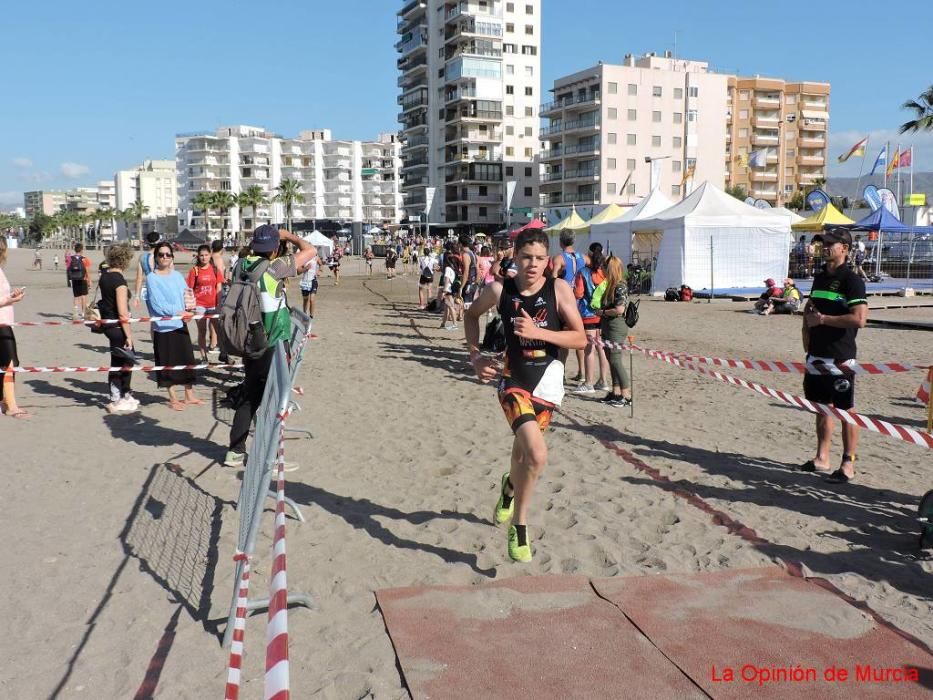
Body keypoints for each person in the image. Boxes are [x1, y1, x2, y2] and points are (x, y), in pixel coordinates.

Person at [464, 228, 587, 562]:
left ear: (548, 260)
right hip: (512, 381)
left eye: (539, 258)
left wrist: (539, 332)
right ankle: (519, 525)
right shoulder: (499, 290)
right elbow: (471, 314)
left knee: (522, 457)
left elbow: (580, 339)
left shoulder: (559, 289)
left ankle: (508, 487)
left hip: (547, 385)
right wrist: (475, 357)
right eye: (526, 258)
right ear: (515, 257)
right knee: (537, 455)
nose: (533, 265)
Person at [224, 226, 317, 468]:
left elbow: (264, 285)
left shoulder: (241, 265)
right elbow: (311, 250)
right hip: (273, 343)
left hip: (249, 339)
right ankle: (271, 460)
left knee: (249, 395)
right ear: (274, 248)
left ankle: (235, 451)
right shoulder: (275, 267)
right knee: (275, 402)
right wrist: (290, 236)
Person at [799, 227, 868, 484]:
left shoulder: (852, 280)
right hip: (816, 355)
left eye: (831, 242)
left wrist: (824, 320)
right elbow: (811, 309)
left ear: (845, 248)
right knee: (821, 408)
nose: (825, 246)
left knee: (846, 411)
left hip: (841, 357)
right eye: (823, 242)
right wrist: (806, 329)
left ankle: (848, 463)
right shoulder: (819, 278)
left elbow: (860, 319)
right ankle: (822, 458)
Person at [146, 242, 201, 411]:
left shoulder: (177, 275)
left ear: (172, 257)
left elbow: (187, 293)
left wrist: (190, 310)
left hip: (180, 323)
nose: (164, 257)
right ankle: (173, 398)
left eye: (168, 254)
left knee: (187, 359)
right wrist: (178, 311)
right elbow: (157, 304)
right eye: (161, 254)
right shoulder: (152, 278)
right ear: (156, 257)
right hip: (164, 327)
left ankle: (189, 394)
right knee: (167, 362)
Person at [98, 243, 138, 414]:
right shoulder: (119, 281)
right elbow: (123, 312)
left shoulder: (104, 276)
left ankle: (124, 394)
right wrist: (129, 335)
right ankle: (116, 398)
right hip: (117, 325)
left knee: (121, 361)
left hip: (108, 323)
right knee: (124, 360)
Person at [591, 256, 633, 406]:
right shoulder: (610, 285)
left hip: (616, 325)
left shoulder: (620, 286)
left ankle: (626, 395)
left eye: (604, 267)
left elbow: (619, 309)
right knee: (610, 358)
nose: (601, 269)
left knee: (615, 359)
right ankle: (615, 392)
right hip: (607, 325)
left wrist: (602, 312)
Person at [572, 242, 610, 394]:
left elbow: (579, 294)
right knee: (601, 347)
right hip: (603, 313)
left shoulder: (583, 272)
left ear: (588, 255)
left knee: (589, 349)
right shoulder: (604, 272)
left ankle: (588, 382)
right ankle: (604, 380)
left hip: (588, 314)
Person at [551, 230, 587, 382]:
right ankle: (582, 371)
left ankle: (562, 371)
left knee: (564, 339)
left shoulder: (559, 258)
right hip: (581, 300)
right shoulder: (584, 257)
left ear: (560, 242)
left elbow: (552, 279)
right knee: (580, 337)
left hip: (566, 300)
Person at [0, 238, 29, 418]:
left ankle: (4, 401)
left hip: (4, 322)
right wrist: (10, 300)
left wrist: (11, 295)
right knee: (10, 363)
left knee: (4, 363)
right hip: (1, 324)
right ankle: (12, 405)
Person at [186, 244, 223, 362]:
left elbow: (218, 287)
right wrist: (189, 307)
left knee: (218, 330)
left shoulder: (215, 269)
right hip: (199, 305)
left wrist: (219, 304)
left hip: (213, 304)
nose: (204, 257)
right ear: (198, 256)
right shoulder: (194, 271)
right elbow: (189, 289)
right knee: (202, 331)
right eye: (201, 255)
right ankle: (203, 356)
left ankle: (224, 354)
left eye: (206, 255)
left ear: (210, 255)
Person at [134, 231, 164, 309]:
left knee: (153, 315)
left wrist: (137, 295)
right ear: (159, 241)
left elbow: (139, 278)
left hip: (149, 288)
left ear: (148, 242)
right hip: (163, 287)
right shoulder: (165, 256)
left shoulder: (142, 257)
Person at [68, 243, 92, 320]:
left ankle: (75, 313)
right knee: (84, 296)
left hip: (74, 279)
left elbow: (68, 269)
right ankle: (83, 313)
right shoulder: (85, 259)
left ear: (75, 249)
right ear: (81, 250)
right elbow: (87, 271)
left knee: (76, 296)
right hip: (83, 279)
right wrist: (89, 280)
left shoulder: (70, 258)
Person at [298, 249, 322, 318]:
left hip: (313, 281)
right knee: (305, 300)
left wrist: (319, 272)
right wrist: (305, 268)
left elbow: (321, 265)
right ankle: (305, 314)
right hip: (305, 281)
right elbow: (298, 271)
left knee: (312, 299)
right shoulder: (303, 259)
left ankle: (311, 315)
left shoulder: (316, 257)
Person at [440, 254, 462, 331]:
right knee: (446, 308)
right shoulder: (454, 269)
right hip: (451, 289)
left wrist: (444, 291)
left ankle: (455, 324)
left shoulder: (448, 268)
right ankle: (443, 323)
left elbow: (446, 280)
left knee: (451, 307)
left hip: (448, 289)